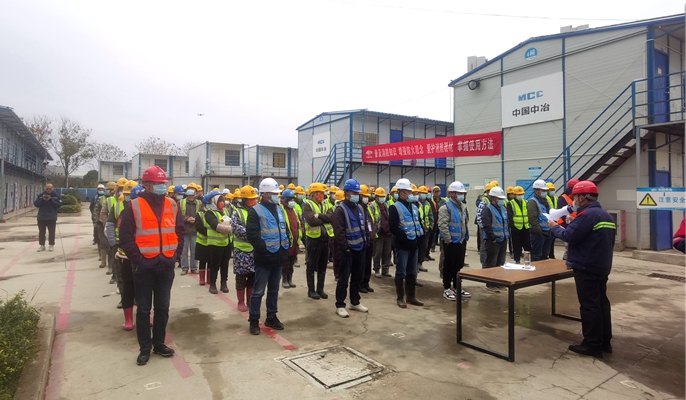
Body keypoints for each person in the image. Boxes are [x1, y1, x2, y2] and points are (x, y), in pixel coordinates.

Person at [118, 166, 185, 366]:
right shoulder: (134, 206)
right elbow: (125, 237)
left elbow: (179, 231)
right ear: (146, 184)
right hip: (144, 266)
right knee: (144, 310)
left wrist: (176, 256)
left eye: (163, 183)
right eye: (157, 184)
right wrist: (138, 260)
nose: (161, 187)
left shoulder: (172, 204)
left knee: (163, 307)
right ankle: (145, 348)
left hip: (166, 265)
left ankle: (159, 344)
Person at [549, 181, 615, 358]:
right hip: (601, 266)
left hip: (586, 267)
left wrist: (554, 227)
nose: (573, 201)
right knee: (601, 304)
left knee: (589, 306)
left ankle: (592, 345)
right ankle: (604, 342)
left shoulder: (587, 215)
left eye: (575, 197)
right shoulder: (604, 215)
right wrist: (574, 222)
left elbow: (568, 236)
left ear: (581, 197)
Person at [246, 178, 289, 335]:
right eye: (274, 193)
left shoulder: (279, 209)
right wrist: (263, 249)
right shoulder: (255, 211)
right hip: (264, 258)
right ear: (265, 194)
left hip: (278, 257)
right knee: (258, 291)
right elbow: (252, 234)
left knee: (274, 290)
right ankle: (254, 320)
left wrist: (286, 248)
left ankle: (271, 316)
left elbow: (285, 230)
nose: (277, 196)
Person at [332, 179, 369, 318]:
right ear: (346, 193)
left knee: (357, 277)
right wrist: (346, 247)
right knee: (343, 279)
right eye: (354, 192)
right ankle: (340, 305)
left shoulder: (360, 208)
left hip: (361, 248)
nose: (356, 195)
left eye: (357, 193)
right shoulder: (340, 210)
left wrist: (366, 242)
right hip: (348, 251)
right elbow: (339, 231)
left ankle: (355, 302)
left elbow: (365, 226)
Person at [389, 178, 424, 308]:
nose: (411, 194)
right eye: (408, 192)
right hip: (402, 246)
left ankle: (411, 297)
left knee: (412, 272)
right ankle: (400, 298)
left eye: (411, 192)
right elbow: (393, 227)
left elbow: (418, 223)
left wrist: (420, 238)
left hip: (414, 245)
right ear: (401, 193)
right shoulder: (394, 207)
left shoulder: (414, 207)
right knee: (401, 272)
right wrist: (404, 237)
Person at [105, 180, 137, 315]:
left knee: (137, 274)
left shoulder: (140, 207)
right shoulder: (117, 206)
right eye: (126, 193)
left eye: (130, 193)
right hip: (119, 247)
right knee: (121, 274)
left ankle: (136, 298)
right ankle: (125, 299)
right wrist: (113, 243)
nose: (128, 196)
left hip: (137, 247)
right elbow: (110, 225)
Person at [438, 181, 470, 301]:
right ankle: (447, 288)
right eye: (459, 193)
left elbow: (463, 223)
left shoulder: (462, 207)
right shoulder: (445, 208)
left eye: (463, 193)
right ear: (452, 194)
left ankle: (457, 287)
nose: (462, 195)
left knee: (458, 265)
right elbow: (443, 225)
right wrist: (449, 241)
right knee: (448, 266)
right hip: (450, 242)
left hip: (461, 241)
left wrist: (465, 237)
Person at [303, 182, 334, 300]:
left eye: (322, 193)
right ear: (313, 194)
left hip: (325, 239)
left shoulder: (326, 204)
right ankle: (311, 290)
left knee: (322, 265)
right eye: (319, 193)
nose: (321, 195)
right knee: (311, 265)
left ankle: (320, 289)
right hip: (313, 239)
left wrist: (319, 216)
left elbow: (332, 217)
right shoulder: (308, 205)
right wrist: (324, 218)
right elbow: (311, 221)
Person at [231, 185, 258, 312]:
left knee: (253, 277)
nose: (253, 201)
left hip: (254, 250)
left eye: (254, 199)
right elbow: (236, 228)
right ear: (244, 200)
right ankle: (241, 301)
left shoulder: (257, 211)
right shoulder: (237, 212)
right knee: (241, 277)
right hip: (241, 251)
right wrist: (253, 234)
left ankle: (250, 301)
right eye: (250, 199)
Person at [203, 190, 233, 294]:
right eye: (220, 201)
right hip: (215, 243)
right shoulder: (209, 213)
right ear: (214, 201)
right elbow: (215, 226)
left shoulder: (225, 211)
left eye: (223, 201)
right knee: (214, 265)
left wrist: (231, 226)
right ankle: (212, 284)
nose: (222, 203)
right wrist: (230, 229)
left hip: (227, 242)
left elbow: (231, 221)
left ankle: (224, 283)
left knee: (225, 264)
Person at [481, 186, 510, 293]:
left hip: (503, 239)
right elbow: (486, 225)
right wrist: (492, 239)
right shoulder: (487, 210)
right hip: (493, 241)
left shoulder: (503, 209)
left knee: (500, 263)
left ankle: (498, 282)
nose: (502, 201)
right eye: (499, 199)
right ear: (493, 199)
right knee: (491, 263)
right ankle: (490, 284)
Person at [528, 179, 554, 262]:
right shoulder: (533, 202)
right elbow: (532, 218)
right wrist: (539, 232)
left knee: (545, 256)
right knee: (536, 256)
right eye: (543, 190)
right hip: (539, 234)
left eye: (545, 190)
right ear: (536, 191)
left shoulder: (546, 201)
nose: (545, 192)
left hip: (547, 232)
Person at [280, 189, 301, 289]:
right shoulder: (280, 210)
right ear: (284, 200)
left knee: (292, 261)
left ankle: (290, 279)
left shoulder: (294, 210)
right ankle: (284, 279)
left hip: (295, 240)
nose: (292, 201)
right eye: (290, 200)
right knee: (285, 262)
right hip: (286, 240)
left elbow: (299, 222)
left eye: (293, 199)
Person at [506, 186, 531, 264]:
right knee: (516, 245)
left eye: (522, 194)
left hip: (525, 227)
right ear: (515, 195)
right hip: (516, 228)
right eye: (519, 194)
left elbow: (529, 214)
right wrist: (512, 226)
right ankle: (517, 260)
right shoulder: (510, 203)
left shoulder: (526, 202)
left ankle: (528, 260)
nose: (520, 196)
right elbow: (509, 216)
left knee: (527, 245)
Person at [371, 187, 392, 278]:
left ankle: (385, 270)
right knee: (377, 253)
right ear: (376, 197)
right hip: (379, 233)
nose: (382, 198)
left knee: (387, 253)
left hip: (387, 233)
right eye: (380, 196)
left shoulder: (386, 205)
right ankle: (377, 269)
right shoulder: (372, 206)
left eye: (383, 196)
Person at [557, 179, 580, 260]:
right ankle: (566, 260)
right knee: (569, 245)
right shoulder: (563, 198)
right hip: (566, 225)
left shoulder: (574, 198)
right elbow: (562, 214)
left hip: (574, 223)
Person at [358, 184, 375, 293]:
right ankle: (360, 284)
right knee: (361, 264)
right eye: (364, 196)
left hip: (369, 239)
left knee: (368, 263)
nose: (366, 198)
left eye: (367, 196)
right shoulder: (358, 209)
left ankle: (366, 282)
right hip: (362, 240)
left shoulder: (366, 208)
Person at [34, 183, 61, 252]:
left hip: (51, 217)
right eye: (47, 189)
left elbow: (58, 205)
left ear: (53, 188)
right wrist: (42, 199)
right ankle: (42, 245)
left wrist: (51, 200)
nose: (48, 190)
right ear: (45, 188)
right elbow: (36, 204)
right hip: (42, 217)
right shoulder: (41, 195)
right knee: (41, 232)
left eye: (50, 189)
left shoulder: (56, 196)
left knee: (51, 232)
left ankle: (51, 245)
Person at [179, 187, 200, 275]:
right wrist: (187, 218)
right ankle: (184, 268)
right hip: (184, 230)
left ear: (195, 193)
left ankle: (194, 267)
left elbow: (202, 214)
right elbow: (178, 215)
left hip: (195, 230)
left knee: (194, 250)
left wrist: (195, 219)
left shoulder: (199, 203)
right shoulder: (181, 202)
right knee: (184, 251)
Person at [417, 185, 434, 272]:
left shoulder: (427, 204)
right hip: (418, 230)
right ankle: (415, 265)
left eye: (425, 193)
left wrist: (431, 226)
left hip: (426, 230)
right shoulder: (415, 204)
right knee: (417, 247)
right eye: (422, 193)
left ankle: (420, 263)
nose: (424, 195)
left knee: (424, 247)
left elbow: (431, 216)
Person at [429, 186, 444, 253]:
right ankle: (432, 247)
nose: (437, 193)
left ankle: (442, 247)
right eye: (436, 192)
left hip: (441, 219)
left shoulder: (443, 201)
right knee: (434, 234)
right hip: (435, 219)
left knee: (442, 234)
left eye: (438, 191)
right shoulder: (431, 201)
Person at [547, 182, 558, 259]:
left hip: (555, 220)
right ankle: (548, 254)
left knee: (553, 239)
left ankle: (551, 254)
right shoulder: (545, 199)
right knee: (549, 239)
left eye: (553, 189)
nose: (552, 191)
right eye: (550, 189)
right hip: (548, 220)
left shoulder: (556, 198)